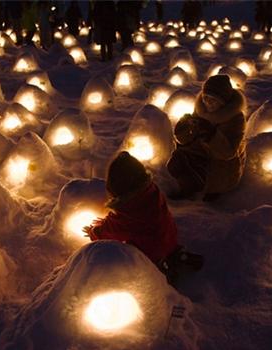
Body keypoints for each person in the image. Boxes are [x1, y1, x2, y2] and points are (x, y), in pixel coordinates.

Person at [83, 152, 202, 284]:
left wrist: (94, 232)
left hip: (152, 251)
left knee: (143, 258)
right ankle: (176, 255)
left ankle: (163, 271)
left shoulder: (128, 212)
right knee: (162, 244)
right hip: (169, 236)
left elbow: (111, 230)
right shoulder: (151, 191)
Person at [167, 74, 247, 202]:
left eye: (213, 99)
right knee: (177, 160)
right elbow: (185, 140)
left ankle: (212, 189)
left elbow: (228, 152)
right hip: (202, 152)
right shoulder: (201, 110)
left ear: (223, 101)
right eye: (205, 98)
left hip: (223, 163)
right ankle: (187, 185)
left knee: (212, 175)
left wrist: (212, 134)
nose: (208, 102)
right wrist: (184, 127)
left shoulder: (235, 119)